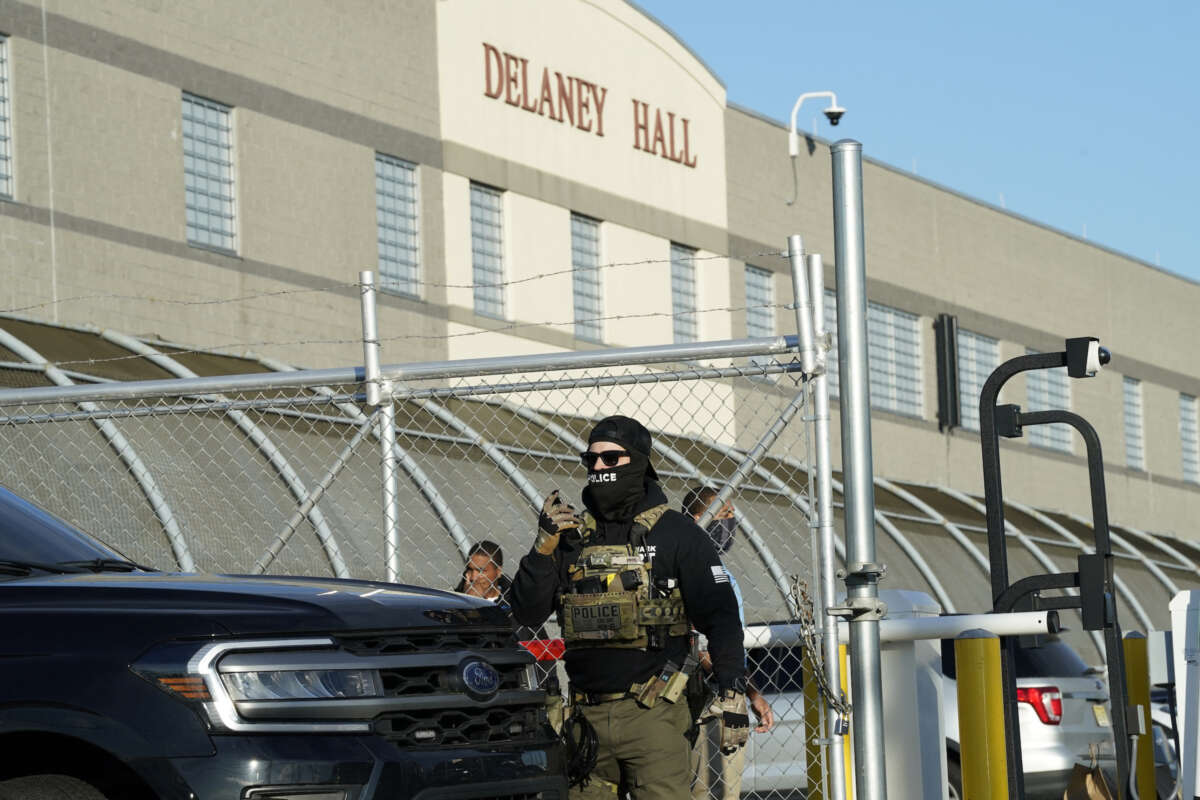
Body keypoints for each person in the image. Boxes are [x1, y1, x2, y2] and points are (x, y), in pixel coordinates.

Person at [510, 415, 749, 800]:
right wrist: (542, 550)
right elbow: (526, 613)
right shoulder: (568, 538)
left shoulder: (676, 533)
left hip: (654, 717)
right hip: (584, 721)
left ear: (638, 461)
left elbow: (721, 618)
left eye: (611, 459)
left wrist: (733, 689)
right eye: (591, 461)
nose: (598, 468)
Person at [681, 487, 776, 800]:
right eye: (724, 516)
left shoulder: (725, 575)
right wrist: (725, 676)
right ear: (698, 519)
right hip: (703, 698)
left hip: (732, 697)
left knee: (729, 788)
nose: (731, 525)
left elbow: (731, 646)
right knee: (700, 788)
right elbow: (698, 646)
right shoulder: (684, 570)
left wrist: (752, 694)